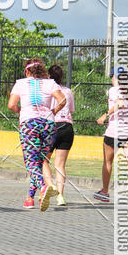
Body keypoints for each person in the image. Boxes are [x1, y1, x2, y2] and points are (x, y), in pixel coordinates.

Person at [8, 58, 65, 212]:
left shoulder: (20, 83)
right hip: (48, 125)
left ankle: (43, 186)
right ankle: (30, 198)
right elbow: (62, 100)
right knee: (40, 161)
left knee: (31, 162)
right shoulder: (50, 83)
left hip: (29, 124)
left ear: (27, 71)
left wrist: (20, 111)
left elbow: (11, 104)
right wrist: (52, 112)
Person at [93, 68, 128, 205]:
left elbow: (120, 104)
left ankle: (104, 191)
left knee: (108, 161)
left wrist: (105, 114)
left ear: (115, 77)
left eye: (111, 77)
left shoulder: (114, 90)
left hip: (115, 131)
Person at [47, 64, 75, 207]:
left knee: (43, 161)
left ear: (48, 76)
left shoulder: (48, 89)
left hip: (52, 126)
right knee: (60, 165)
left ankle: (47, 187)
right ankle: (60, 196)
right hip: (67, 127)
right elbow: (71, 110)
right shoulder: (68, 91)